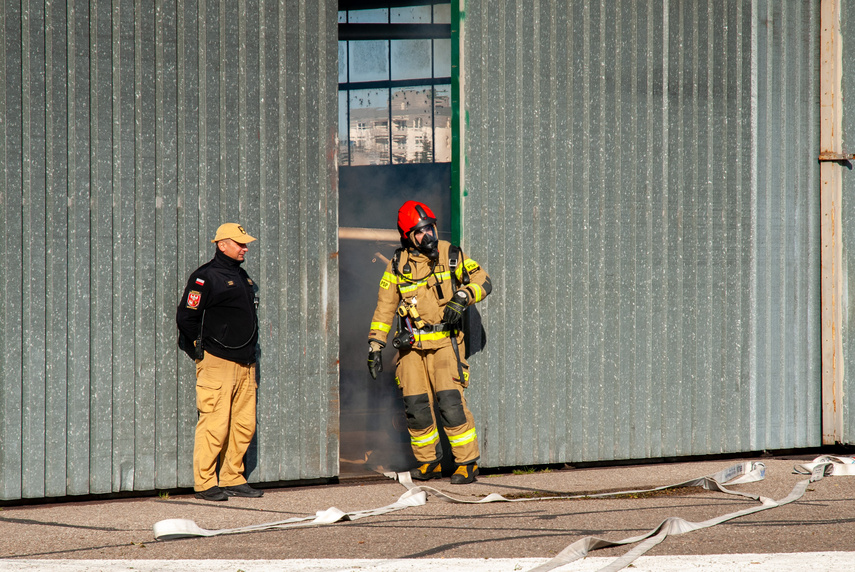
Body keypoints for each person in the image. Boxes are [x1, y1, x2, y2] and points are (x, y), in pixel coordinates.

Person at [367, 200, 492, 484]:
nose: (428, 236)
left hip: (445, 345)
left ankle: (467, 463)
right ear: (407, 236)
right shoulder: (398, 265)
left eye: (430, 228)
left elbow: (483, 280)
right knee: (416, 407)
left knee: (450, 404)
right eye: (420, 232)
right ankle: (429, 463)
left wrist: (463, 297)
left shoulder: (451, 254)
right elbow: (384, 307)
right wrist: (375, 345)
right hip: (410, 350)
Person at [176, 222, 263, 501]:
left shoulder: (242, 277)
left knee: (244, 424)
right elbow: (186, 318)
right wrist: (199, 351)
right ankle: (205, 483)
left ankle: (232, 477)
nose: (245, 248)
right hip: (218, 362)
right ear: (222, 244)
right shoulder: (205, 277)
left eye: (245, 243)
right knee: (215, 424)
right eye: (240, 243)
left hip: (246, 363)